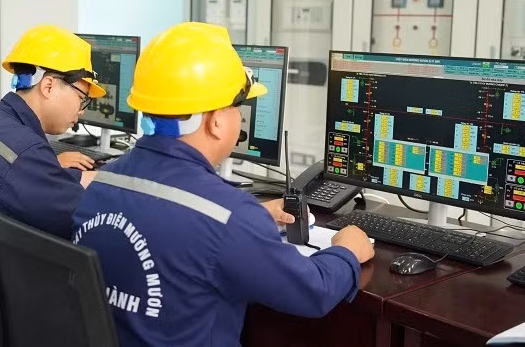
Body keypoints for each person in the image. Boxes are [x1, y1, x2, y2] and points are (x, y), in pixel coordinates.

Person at [71, 22, 375, 347]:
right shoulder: (227, 216)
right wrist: (346, 251)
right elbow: (312, 291)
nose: (239, 118)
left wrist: (246, 218)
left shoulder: (101, 183)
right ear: (215, 121)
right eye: (237, 108)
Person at [0, 25, 107, 347]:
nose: (80, 113)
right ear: (49, 86)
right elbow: (84, 218)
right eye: (81, 98)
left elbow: (24, 184)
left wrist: (67, 173)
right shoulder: (21, 153)